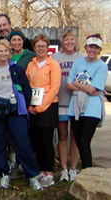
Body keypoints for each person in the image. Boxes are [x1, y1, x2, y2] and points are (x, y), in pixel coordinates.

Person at [0, 39, 41, 190]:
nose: (3, 53)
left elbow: (27, 90)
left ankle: (32, 175)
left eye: (6, 50)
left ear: (10, 52)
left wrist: (23, 104)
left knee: (22, 142)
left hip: (15, 111)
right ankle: (3, 174)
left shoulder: (16, 69)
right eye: (0, 51)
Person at [67, 34, 107, 171]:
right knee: (78, 141)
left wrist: (77, 84)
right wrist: (85, 87)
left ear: (99, 50)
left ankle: (87, 171)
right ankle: (85, 170)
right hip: (75, 107)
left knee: (85, 141)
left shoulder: (101, 66)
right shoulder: (78, 63)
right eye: (91, 46)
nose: (93, 50)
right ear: (86, 47)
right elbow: (68, 84)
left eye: (96, 48)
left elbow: (93, 89)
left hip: (92, 109)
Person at [26, 34, 61, 188]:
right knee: (36, 139)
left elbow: (54, 88)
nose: (40, 49)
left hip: (48, 106)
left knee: (47, 140)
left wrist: (41, 107)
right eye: (38, 46)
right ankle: (40, 170)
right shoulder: (31, 65)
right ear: (34, 48)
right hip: (33, 107)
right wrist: (30, 107)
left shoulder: (53, 65)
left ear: (47, 48)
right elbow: (27, 86)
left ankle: (48, 172)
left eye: (43, 46)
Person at [51, 29, 84, 182]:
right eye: (66, 40)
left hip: (78, 103)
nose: (69, 42)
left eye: (72, 39)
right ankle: (63, 168)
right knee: (62, 135)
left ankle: (73, 167)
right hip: (61, 102)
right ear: (62, 42)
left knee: (75, 137)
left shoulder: (82, 58)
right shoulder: (55, 58)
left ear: (76, 41)